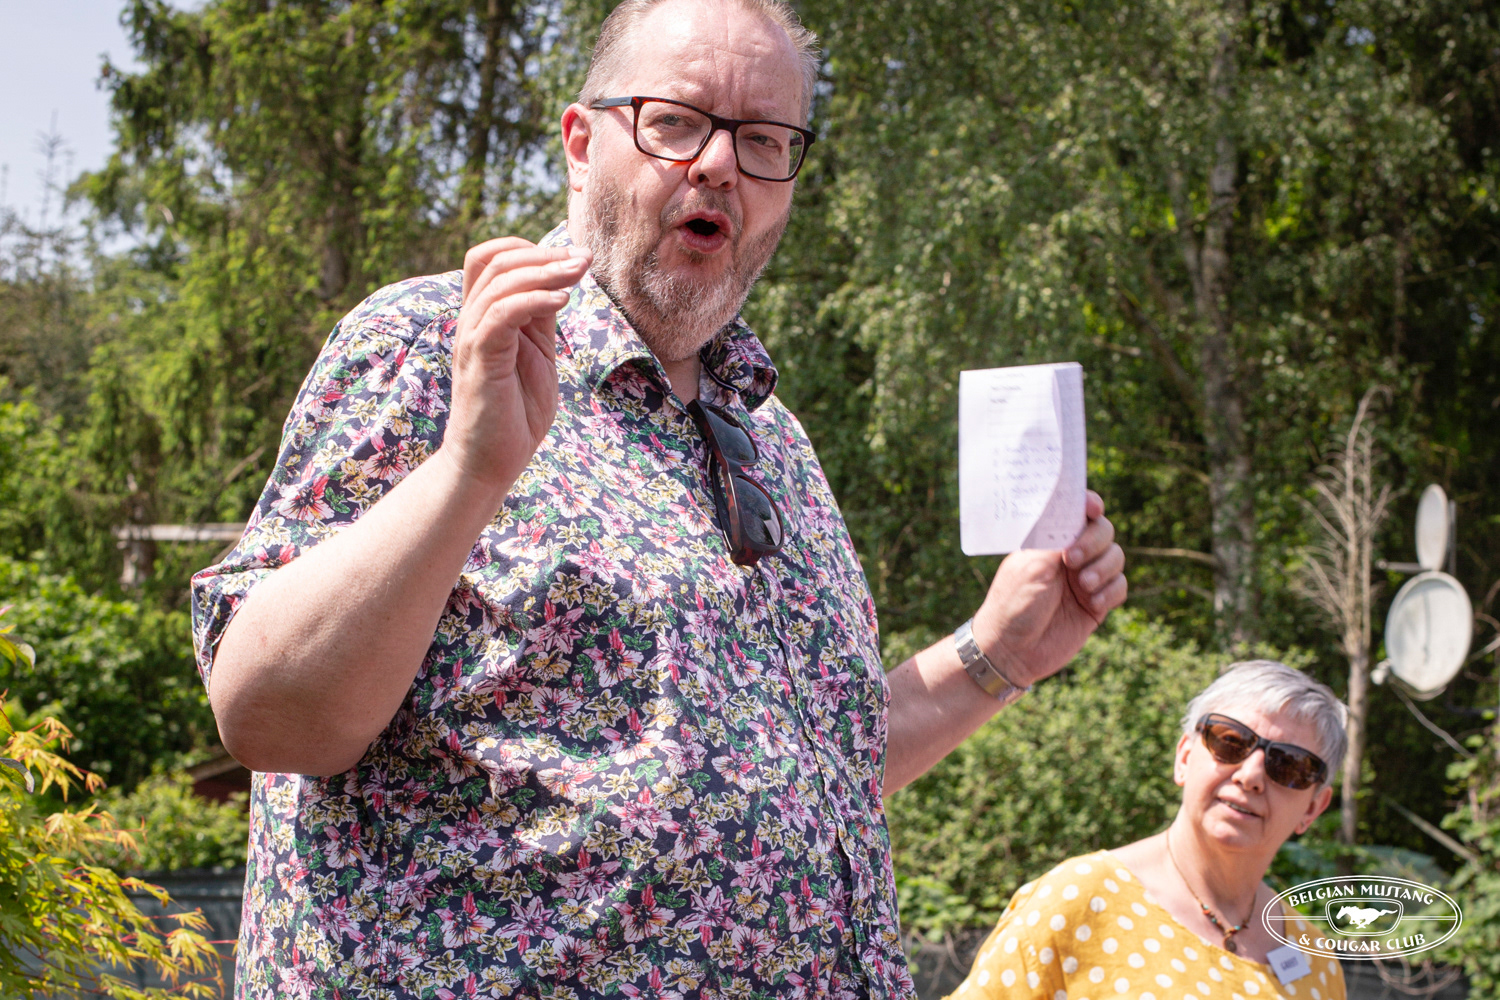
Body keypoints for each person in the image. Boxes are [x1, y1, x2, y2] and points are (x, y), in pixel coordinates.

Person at [190, 1, 1127, 997]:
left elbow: (803, 775)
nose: (719, 164)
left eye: (763, 140)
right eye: (675, 123)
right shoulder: (439, 348)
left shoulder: (774, 437)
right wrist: (468, 470)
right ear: (580, 144)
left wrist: (999, 653)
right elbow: (267, 716)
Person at [951, 660, 1347, 1000]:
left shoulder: (1316, 959)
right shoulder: (1080, 898)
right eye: (1231, 742)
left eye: (1289, 765)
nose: (1251, 776)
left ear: (1313, 807)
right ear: (1184, 758)